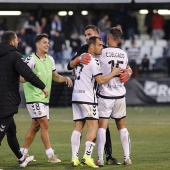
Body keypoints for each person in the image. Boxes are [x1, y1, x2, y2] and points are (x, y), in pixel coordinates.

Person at [67, 24, 132, 165]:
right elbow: (71, 66)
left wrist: (129, 71)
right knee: (103, 126)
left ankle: (99, 158)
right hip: (106, 94)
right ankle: (118, 157)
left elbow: (72, 68)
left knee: (96, 126)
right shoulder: (118, 53)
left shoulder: (99, 52)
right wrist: (76, 62)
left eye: (89, 35)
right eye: (85, 35)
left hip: (93, 95)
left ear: (99, 36)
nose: (87, 38)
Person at [20, 33, 73, 163]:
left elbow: (55, 76)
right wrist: (30, 79)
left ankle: (22, 153)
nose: (47, 44)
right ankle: (50, 155)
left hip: (44, 99)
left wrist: (64, 78)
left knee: (35, 126)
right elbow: (20, 77)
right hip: (33, 97)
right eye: (44, 42)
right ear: (37, 44)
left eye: (48, 42)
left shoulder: (50, 59)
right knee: (44, 123)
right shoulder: (31, 59)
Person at [0, 31, 48, 167]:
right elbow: (27, 73)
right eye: (16, 40)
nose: (18, 42)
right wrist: (42, 86)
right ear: (12, 42)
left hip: (2, 100)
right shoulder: (14, 55)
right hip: (6, 102)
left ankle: (21, 158)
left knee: (11, 130)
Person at [97, 27, 132, 166]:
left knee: (102, 126)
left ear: (108, 38)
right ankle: (127, 157)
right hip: (120, 93)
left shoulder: (102, 53)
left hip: (105, 93)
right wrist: (128, 72)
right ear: (120, 39)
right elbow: (127, 70)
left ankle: (100, 159)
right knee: (122, 126)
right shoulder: (124, 54)